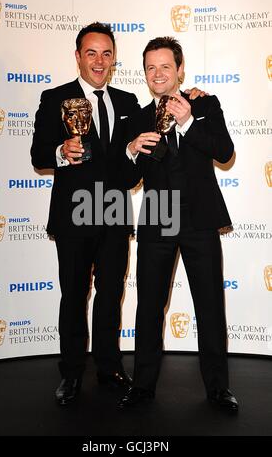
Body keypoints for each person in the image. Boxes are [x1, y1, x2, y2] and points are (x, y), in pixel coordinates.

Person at [31, 23, 203, 407]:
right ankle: (72, 373)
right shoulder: (55, 97)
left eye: (106, 53)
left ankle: (108, 368)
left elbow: (163, 114)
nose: (99, 60)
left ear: (114, 60)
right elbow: (38, 154)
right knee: (74, 296)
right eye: (91, 53)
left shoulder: (128, 103)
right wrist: (62, 150)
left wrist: (194, 96)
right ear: (78, 57)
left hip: (113, 214)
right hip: (75, 215)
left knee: (110, 295)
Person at [118, 36, 238, 412]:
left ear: (180, 69)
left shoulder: (204, 105)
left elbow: (224, 151)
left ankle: (218, 389)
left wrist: (187, 122)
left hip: (200, 220)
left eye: (165, 66)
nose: (158, 74)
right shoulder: (137, 118)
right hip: (156, 219)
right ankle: (143, 387)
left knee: (209, 306)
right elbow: (123, 178)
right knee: (149, 307)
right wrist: (130, 150)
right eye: (151, 67)